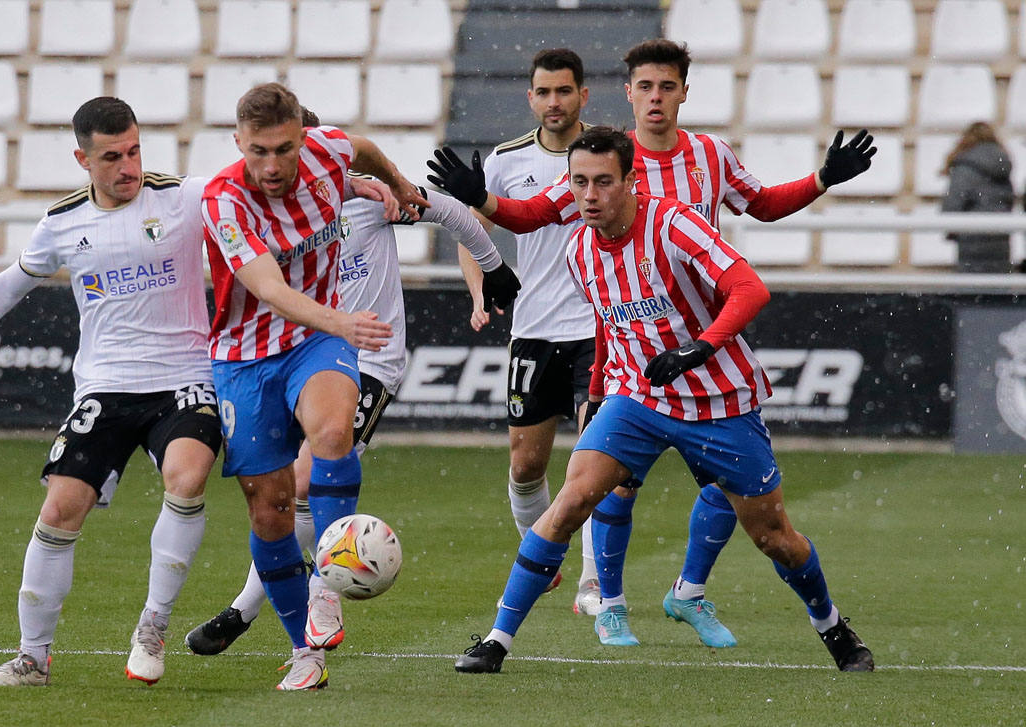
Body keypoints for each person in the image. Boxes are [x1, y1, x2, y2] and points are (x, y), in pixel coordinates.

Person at [430, 38, 876, 649]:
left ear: (683, 93)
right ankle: (521, 631)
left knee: (769, 530)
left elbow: (761, 223)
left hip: (711, 371)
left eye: (668, 86)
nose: (657, 97)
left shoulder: (696, 177)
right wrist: (477, 199)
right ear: (629, 93)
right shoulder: (589, 201)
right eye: (646, 86)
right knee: (577, 494)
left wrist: (822, 178)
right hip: (638, 382)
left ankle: (804, 617)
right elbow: (535, 218)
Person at [0, 97, 225, 688]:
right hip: (106, 388)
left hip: (184, 379)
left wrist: (360, 182)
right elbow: (7, 288)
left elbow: (269, 184)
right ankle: (33, 658)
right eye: (113, 157)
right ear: (83, 159)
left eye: (135, 151)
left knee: (187, 477)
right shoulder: (63, 223)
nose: (129, 167)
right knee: (59, 512)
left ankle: (153, 624)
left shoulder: (185, 196)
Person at [201, 83, 519, 691]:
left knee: (315, 458)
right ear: (240, 145)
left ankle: (322, 587)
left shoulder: (350, 177)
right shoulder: (231, 202)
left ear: (312, 150)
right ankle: (272, 620)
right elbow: (266, 287)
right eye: (262, 153)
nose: (277, 167)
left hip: (359, 354)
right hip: (264, 351)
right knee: (271, 501)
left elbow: (440, 203)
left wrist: (488, 263)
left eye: (289, 152)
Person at [457, 48, 605, 616]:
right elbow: (472, 232)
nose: (553, 102)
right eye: (543, 92)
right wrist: (480, 289)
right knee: (525, 465)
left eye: (564, 91)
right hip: (535, 329)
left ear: (583, 96)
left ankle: (593, 584)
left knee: (594, 463)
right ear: (530, 98)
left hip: (600, 325)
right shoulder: (503, 161)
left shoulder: (610, 153)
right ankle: (540, 559)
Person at [941, 121, 1015, 273]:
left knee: (972, 290)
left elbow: (953, 203)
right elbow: (1008, 200)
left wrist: (951, 230)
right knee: (997, 289)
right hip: (1000, 238)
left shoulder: (966, 166)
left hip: (972, 237)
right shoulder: (1002, 165)